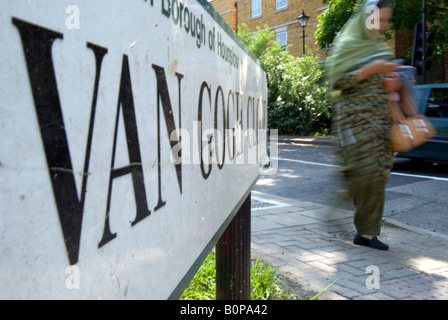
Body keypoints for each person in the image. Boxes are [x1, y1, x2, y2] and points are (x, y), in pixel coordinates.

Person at [326, 0, 400, 250]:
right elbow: (336, 84)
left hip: (380, 126)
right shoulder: (348, 45)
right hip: (356, 125)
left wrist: (392, 86)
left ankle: (368, 233)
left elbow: (386, 87)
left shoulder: (379, 47)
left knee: (378, 177)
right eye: (377, 19)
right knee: (363, 176)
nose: (382, 26)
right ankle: (351, 222)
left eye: (386, 20)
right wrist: (367, 70)